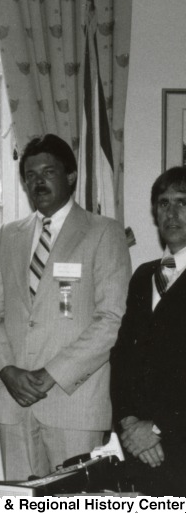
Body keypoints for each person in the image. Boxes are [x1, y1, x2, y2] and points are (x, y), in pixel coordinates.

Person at [0, 133, 131, 480]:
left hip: (73, 401)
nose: (38, 181)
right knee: (19, 499)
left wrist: (51, 376)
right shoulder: (8, 235)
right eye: (30, 175)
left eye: (48, 172)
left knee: (73, 501)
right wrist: (5, 370)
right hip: (12, 400)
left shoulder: (104, 233)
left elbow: (110, 320)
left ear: (71, 176)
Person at [111, 166, 186, 496]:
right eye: (164, 203)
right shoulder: (143, 277)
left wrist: (157, 428)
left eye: (183, 202)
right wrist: (128, 423)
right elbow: (122, 358)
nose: (172, 213)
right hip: (139, 452)